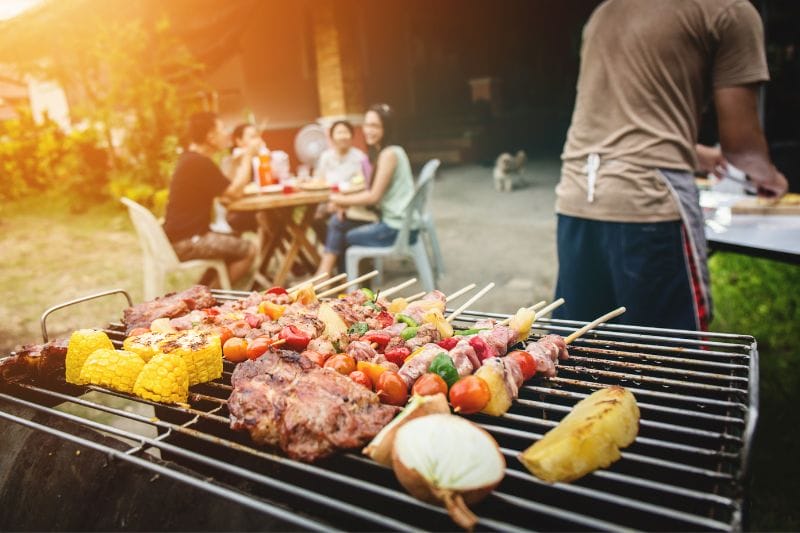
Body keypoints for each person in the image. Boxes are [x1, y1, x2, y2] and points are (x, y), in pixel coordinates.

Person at [553, 0, 788, 331]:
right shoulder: (731, 10)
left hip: (576, 199)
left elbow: (621, 124)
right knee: (668, 361)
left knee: (578, 353)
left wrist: (695, 154)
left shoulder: (607, 10)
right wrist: (771, 176)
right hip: (648, 204)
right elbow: (744, 151)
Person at [315, 104, 415, 275]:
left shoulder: (388, 154)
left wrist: (339, 200)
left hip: (396, 228)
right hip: (396, 221)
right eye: (367, 124)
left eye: (375, 126)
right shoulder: (388, 152)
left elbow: (373, 196)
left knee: (346, 234)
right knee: (338, 222)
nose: (368, 130)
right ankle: (333, 278)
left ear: (387, 128)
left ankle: (341, 281)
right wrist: (344, 203)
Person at [162, 112, 258, 286]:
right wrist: (248, 157)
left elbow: (225, 189)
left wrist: (237, 162)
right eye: (222, 129)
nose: (226, 134)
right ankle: (208, 300)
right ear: (210, 136)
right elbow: (234, 193)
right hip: (188, 241)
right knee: (249, 249)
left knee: (233, 240)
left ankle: (201, 294)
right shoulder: (199, 163)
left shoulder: (192, 159)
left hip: (182, 237)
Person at [220, 122, 265, 234]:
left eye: (258, 137)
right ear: (239, 141)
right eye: (253, 137)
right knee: (265, 217)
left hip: (264, 207)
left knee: (272, 216)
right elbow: (229, 191)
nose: (257, 141)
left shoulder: (263, 159)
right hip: (239, 211)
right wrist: (246, 157)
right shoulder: (229, 162)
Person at [314, 120, 371, 187]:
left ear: (351, 136)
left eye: (346, 132)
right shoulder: (325, 157)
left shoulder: (360, 156)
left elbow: (364, 181)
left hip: (353, 194)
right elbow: (319, 180)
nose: (343, 136)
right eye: (339, 133)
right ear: (332, 137)